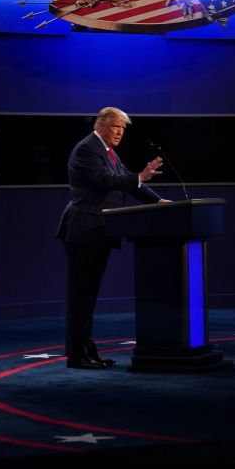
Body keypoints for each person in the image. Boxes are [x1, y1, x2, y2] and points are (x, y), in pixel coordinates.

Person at [56, 107, 170, 369]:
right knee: (80, 297)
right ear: (101, 125)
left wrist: (158, 201)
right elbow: (106, 180)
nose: (120, 132)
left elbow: (128, 182)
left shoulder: (109, 153)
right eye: (116, 126)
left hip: (99, 232)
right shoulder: (87, 149)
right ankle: (77, 356)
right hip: (83, 230)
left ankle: (87, 351)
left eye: (123, 128)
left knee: (89, 296)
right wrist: (139, 176)